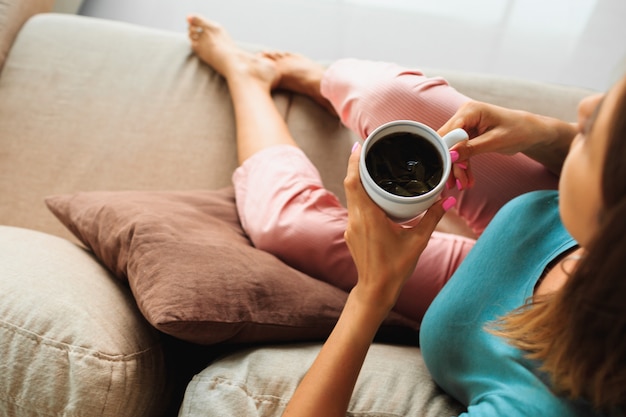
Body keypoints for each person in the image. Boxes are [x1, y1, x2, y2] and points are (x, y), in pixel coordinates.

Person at [186, 15, 626, 417]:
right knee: (390, 99)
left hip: (496, 293)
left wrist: (371, 294)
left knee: (289, 227)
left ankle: (249, 79)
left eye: (598, 135)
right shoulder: (599, 230)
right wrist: (550, 135)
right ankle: (323, 84)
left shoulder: (542, 402)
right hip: (547, 227)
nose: (584, 107)